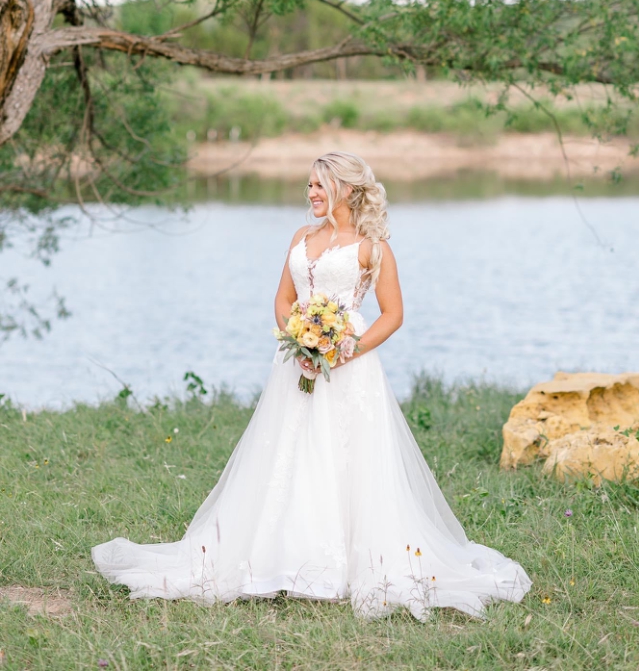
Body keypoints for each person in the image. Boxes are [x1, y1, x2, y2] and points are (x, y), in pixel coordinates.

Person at [93, 152, 531, 619]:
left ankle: (341, 565)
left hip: (350, 369)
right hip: (295, 366)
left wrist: (344, 350)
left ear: (344, 188)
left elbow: (393, 315)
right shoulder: (300, 238)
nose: (312, 194)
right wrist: (297, 338)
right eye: (309, 186)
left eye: (320, 186)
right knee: (285, 452)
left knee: (346, 459)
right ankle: (274, 558)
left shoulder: (371, 247)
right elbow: (283, 299)